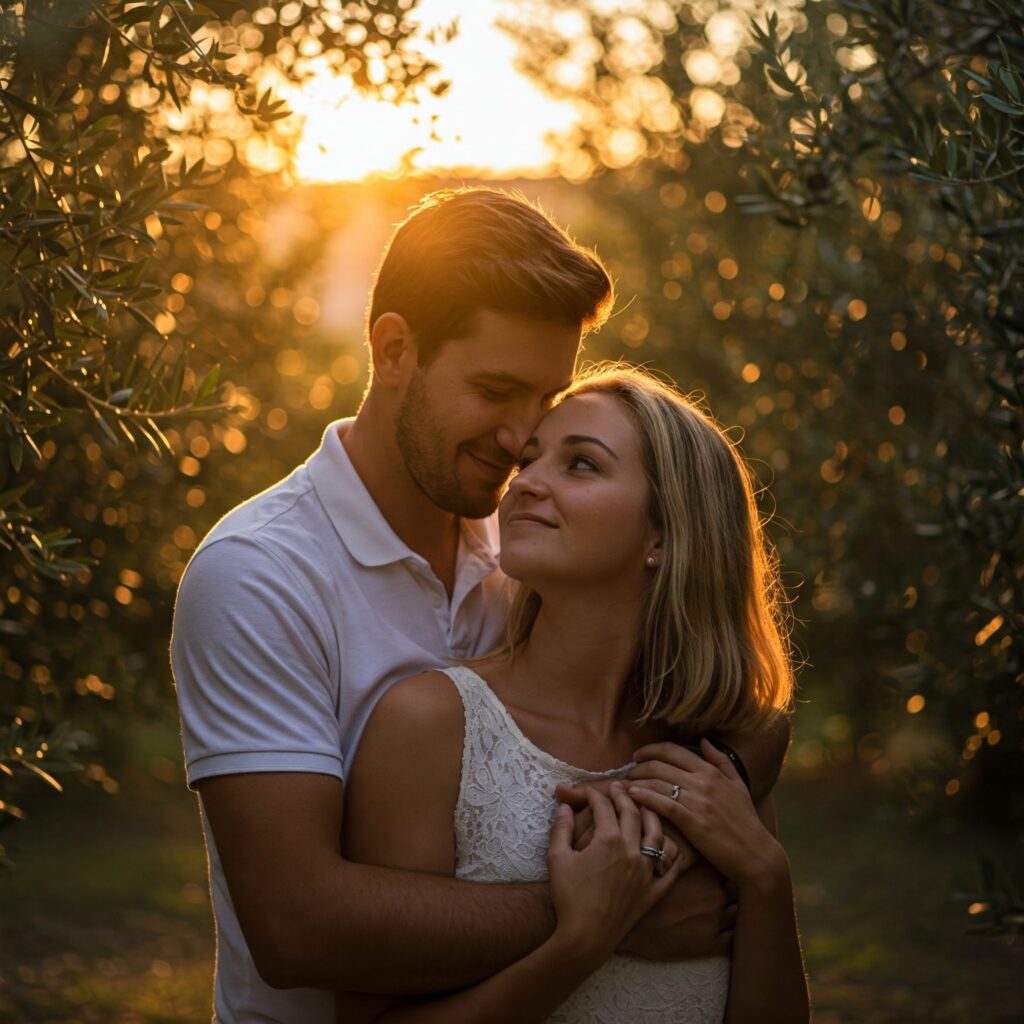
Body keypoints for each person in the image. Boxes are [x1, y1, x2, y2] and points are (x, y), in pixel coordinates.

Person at [171, 188, 791, 1023]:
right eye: (496, 389)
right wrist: (609, 910)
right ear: (394, 351)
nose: (519, 440)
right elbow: (295, 928)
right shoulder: (259, 575)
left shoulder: (532, 549)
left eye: (546, 400)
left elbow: (729, 700)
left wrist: (720, 832)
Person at [339, 365, 809, 1023]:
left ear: (664, 536)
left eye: (581, 465)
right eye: (529, 460)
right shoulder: (431, 724)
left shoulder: (716, 755)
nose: (525, 481)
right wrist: (582, 941)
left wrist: (766, 876)